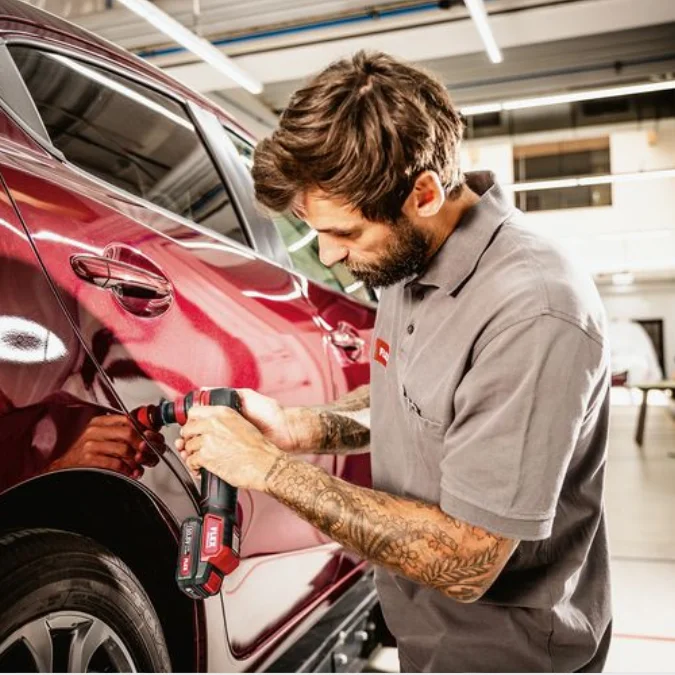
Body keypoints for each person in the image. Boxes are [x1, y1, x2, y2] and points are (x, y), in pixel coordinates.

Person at [176, 51, 612, 672]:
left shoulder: (533, 310)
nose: (327, 256)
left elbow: (466, 558)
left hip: (509, 655)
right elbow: (414, 401)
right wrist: (301, 428)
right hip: (427, 634)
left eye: (346, 234)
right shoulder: (409, 266)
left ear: (425, 193)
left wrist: (270, 470)